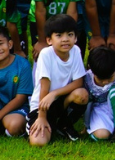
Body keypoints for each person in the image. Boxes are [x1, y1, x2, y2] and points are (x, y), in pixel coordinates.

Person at [28, 14, 88, 145]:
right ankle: (38, 122)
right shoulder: (45, 54)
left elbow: (78, 82)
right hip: (42, 105)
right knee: (39, 142)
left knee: (82, 95)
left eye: (70, 35)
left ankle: (64, 124)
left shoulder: (75, 50)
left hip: (59, 99)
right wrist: (41, 117)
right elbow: (44, 88)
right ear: (49, 40)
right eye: (59, 35)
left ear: (76, 38)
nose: (65, 39)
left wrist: (54, 94)